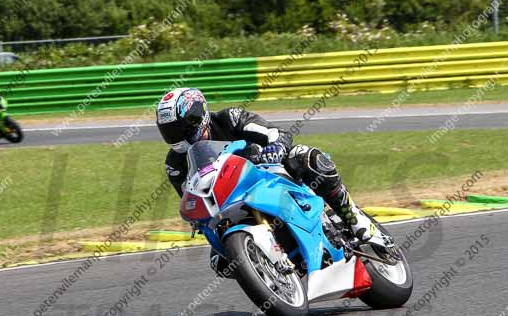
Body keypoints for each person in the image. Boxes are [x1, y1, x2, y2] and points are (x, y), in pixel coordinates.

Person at [156, 88, 391, 270]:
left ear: (199, 117)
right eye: (170, 132)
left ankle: (353, 217)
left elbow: (275, 132)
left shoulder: (231, 119)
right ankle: (272, 270)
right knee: (222, 263)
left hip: (267, 174)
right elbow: (193, 201)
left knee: (305, 157)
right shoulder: (175, 165)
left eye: (180, 128)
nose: (177, 137)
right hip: (230, 205)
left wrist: (275, 146)